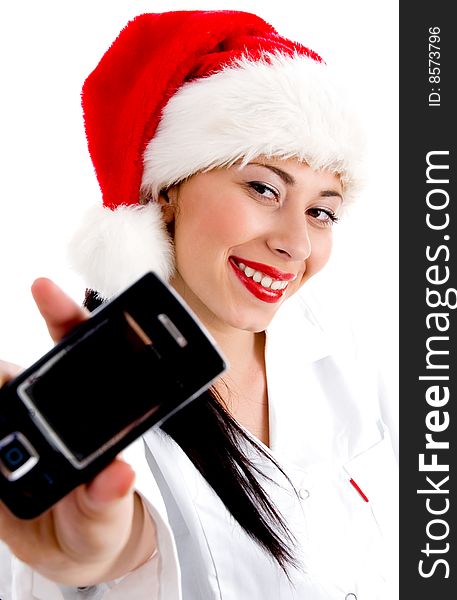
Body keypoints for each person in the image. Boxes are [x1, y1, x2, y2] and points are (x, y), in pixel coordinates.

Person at [0, 10, 398, 600]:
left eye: (322, 210)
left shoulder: (354, 355)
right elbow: (118, 538)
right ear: (166, 193)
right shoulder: (102, 406)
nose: (296, 243)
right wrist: (91, 556)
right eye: (264, 188)